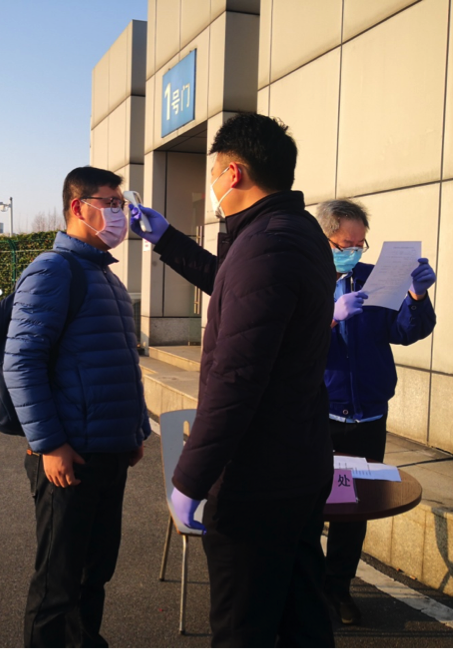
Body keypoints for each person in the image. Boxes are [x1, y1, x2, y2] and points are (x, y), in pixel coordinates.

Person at [130, 113, 336, 648]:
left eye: (214, 173)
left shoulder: (265, 245)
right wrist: (167, 238)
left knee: (244, 628)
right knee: (301, 615)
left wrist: (189, 480)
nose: (213, 187)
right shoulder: (295, 232)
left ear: (235, 172)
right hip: (299, 465)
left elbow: (235, 380)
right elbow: (231, 283)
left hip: (258, 482)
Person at [4, 166, 151, 649]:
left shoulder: (104, 275)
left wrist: (134, 432)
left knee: (95, 573)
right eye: (111, 204)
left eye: (121, 205)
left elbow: (120, 362)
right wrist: (50, 444)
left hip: (108, 452)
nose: (120, 214)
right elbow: (22, 361)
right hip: (68, 457)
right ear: (77, 207)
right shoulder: (53, 270)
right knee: (57, 583)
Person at [316, 199, 436, 625]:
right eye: (345, 244)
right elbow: (287, 342)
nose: (354, 251)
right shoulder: (303, 280)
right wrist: (328, 318)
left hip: (367, 418)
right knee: (309, 507)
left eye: (360, 244)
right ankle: (307, 590)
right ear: (323, 240)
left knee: (352, 510)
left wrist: (416, 296)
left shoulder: (374, 280)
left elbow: (405, 330)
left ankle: (338, 589)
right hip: (319, 417)